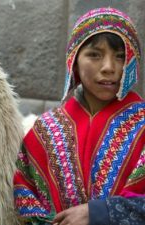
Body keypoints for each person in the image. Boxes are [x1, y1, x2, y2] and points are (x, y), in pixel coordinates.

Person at [13, 7, 145, 225]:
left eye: (120, 56)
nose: (109, 67)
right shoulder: (44, 130)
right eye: (94, 54)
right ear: (74, 60)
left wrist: (102, 213)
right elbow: (24, 193)